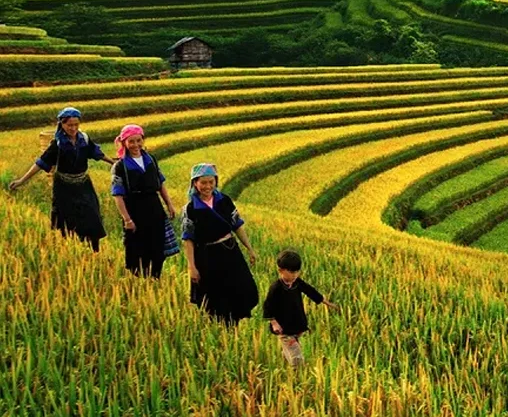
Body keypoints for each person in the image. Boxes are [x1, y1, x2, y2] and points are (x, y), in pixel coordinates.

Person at [8, 107, 114, 252]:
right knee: (67, 220)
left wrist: (113, 162)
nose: (73, 128)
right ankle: (70, 250)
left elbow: (97, 153)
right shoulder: (57, 144)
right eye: (69, 125)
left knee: (92, 215)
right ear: (62, 125)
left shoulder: (84, 139)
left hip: (83, 184)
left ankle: (94, 251)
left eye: (76, 125)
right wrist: (21, 180)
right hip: (64, 187)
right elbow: (41, 163)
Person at [182, 163, 259, 325]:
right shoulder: (190, 208)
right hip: (208, 256)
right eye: (203, 182)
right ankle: (222, 329)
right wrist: (192, 266)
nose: (207, 186)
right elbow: (188, 239)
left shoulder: (224, 200)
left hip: (230, 251)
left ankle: (235, 324)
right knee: (216, 294)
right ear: (195, 183)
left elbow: (237, 225)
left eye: (211, 182)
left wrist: (250, 248)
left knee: (241, 287)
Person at [110, 124, 177, 278]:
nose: (135, 145)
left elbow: (160, 184)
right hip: (134, 209)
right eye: (131, 141)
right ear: (124, 143)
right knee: (138, 249)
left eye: (138, 140)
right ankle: (140, 282)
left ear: (143, 140)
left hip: (154, 207)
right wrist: (127, 219)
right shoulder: (120, 167)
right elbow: (118, 196)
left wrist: (169, 204)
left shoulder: (150, 160)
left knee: (157, 247)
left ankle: (155, 279)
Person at [262, 250, 338, 367]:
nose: (295, 275)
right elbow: (268, 306)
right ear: (280, 270)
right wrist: (274, 323)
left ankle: (286, 363)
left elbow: (311, 291)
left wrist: (328, 303)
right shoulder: (276, 287)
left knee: (293, 347)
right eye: (291, 272)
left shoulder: (297, 282)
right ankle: (297, 375)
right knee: (297, 356)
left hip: (297, 323)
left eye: (297, 272)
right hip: (284, 327)